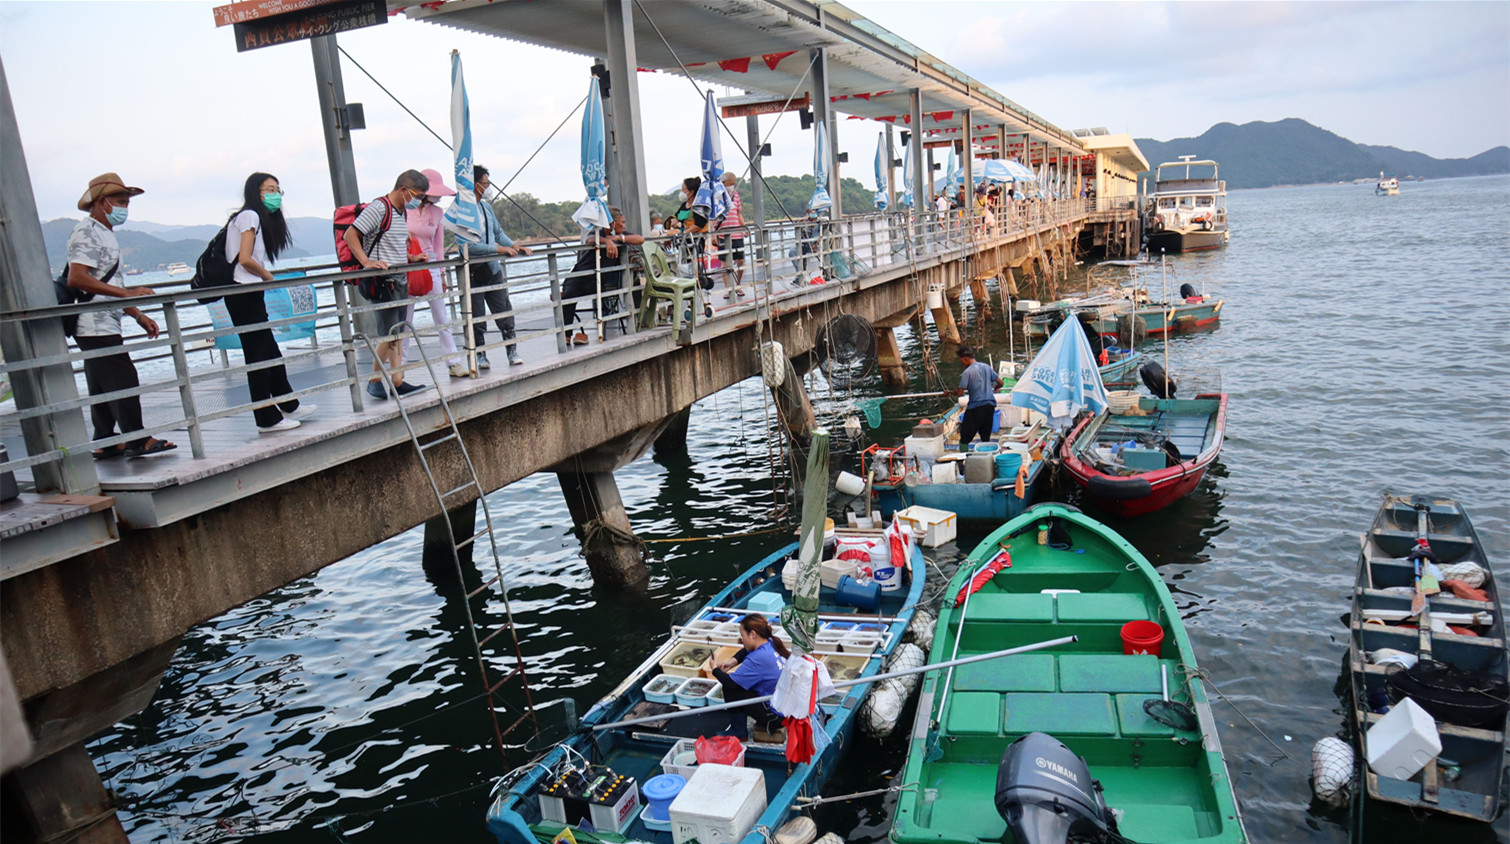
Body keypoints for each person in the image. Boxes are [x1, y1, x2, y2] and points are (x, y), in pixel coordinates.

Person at [66, 173, 176, 459]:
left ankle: (104, 439)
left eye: (126, 202)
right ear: (102, 202)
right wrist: (128, 296)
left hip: (104, 320)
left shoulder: (104, 232)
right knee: (123, 376)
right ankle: (137, 438)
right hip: (92, 322)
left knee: (102, 379)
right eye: (120, 201)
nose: (125, 208)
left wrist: (137, 314)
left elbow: (111, 284)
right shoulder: (87, 231)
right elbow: (77, 278)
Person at [224, 172, 316, 432]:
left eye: (278, 190)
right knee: (258, 355)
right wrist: (267, 276)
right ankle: (266, 417)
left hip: (247, 292)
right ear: (256, 192)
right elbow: (245, 258)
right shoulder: (250, 216)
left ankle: (288, 403)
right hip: (242, 292)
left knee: (269, 349)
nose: (275, 195)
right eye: (269, 189)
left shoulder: (252, 217)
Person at [345, 168, 429, 399]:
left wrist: (410, 258)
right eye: (418, 195)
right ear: (404, 190)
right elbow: (350, 235)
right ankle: (374, 380)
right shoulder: (380, 208)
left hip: (398, 279)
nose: (418, 201)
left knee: (398, 331)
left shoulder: (400, 211)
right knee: (389, 333)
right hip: (383, 281)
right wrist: (366, 262)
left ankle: (397, 379)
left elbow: (392, 245)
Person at [465, 165, 531, 368]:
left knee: (503, 311)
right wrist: (499, 250)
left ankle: (512, 350)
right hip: (473, 272)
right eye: (485, 184)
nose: (488, 187)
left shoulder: (486, 207)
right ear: (476, 185)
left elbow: (498, 232)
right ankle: (481, 354)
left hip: (493, 270)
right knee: (476, 316)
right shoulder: (463, 211)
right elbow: (467, 247)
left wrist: (513, 245)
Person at [402, 168, 466, 378]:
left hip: (430, 265)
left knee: (442, 318)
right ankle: (399, 368)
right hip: (407, 267)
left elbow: (438, 247)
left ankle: (453, 362)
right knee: (404, 321)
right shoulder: (403, 210)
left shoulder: (437, 213)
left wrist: (442, 273)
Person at [563, 206, 644, 345]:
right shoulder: (598, 232)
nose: (624, 226)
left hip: (599, 280)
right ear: (611, 223)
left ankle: (639, 321)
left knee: (570, 293)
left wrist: (619, 237)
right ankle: (566, 335)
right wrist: (607, 241)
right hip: (581, 274)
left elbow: (640, 239)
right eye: (621, 223)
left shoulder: (622, 235)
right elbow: (589, 239)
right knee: (569, 294)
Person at [711, 614, 790, 742]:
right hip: (786, 707)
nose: (742, 640)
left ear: (752, 634)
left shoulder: (759, 658)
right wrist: (732, 662)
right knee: (741, 682)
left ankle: (738, 731)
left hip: (777, 717)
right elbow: (745, 651)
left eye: (742, 636)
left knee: (731, 688)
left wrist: (714, 669)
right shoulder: (770, 643)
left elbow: (730, 683)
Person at [949, 345, 1003, 446]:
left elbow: (960, 392)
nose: (961, 363)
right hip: (990, 406)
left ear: (965, 358)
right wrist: (995, 388)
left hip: (976, 407)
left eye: (961, 360)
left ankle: (961, 458)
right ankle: (985, 457)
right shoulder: (987, 367)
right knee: (985, 437)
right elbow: (1001, 383)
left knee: (964, 438)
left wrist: (950, 392)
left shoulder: (967, 372)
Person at [718, 171, 746, 298]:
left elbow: (739, 212)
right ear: (724, 183)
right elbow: (713, 217)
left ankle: (738, 284)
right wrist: (714, 235)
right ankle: (728, 288)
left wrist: (743, 227)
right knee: (725, 263)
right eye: (730, 184)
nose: (732, 186)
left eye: (733, 184)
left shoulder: (736, 195)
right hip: (723, 233)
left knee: (740, 260)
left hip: (736, 233)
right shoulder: (717, 196)